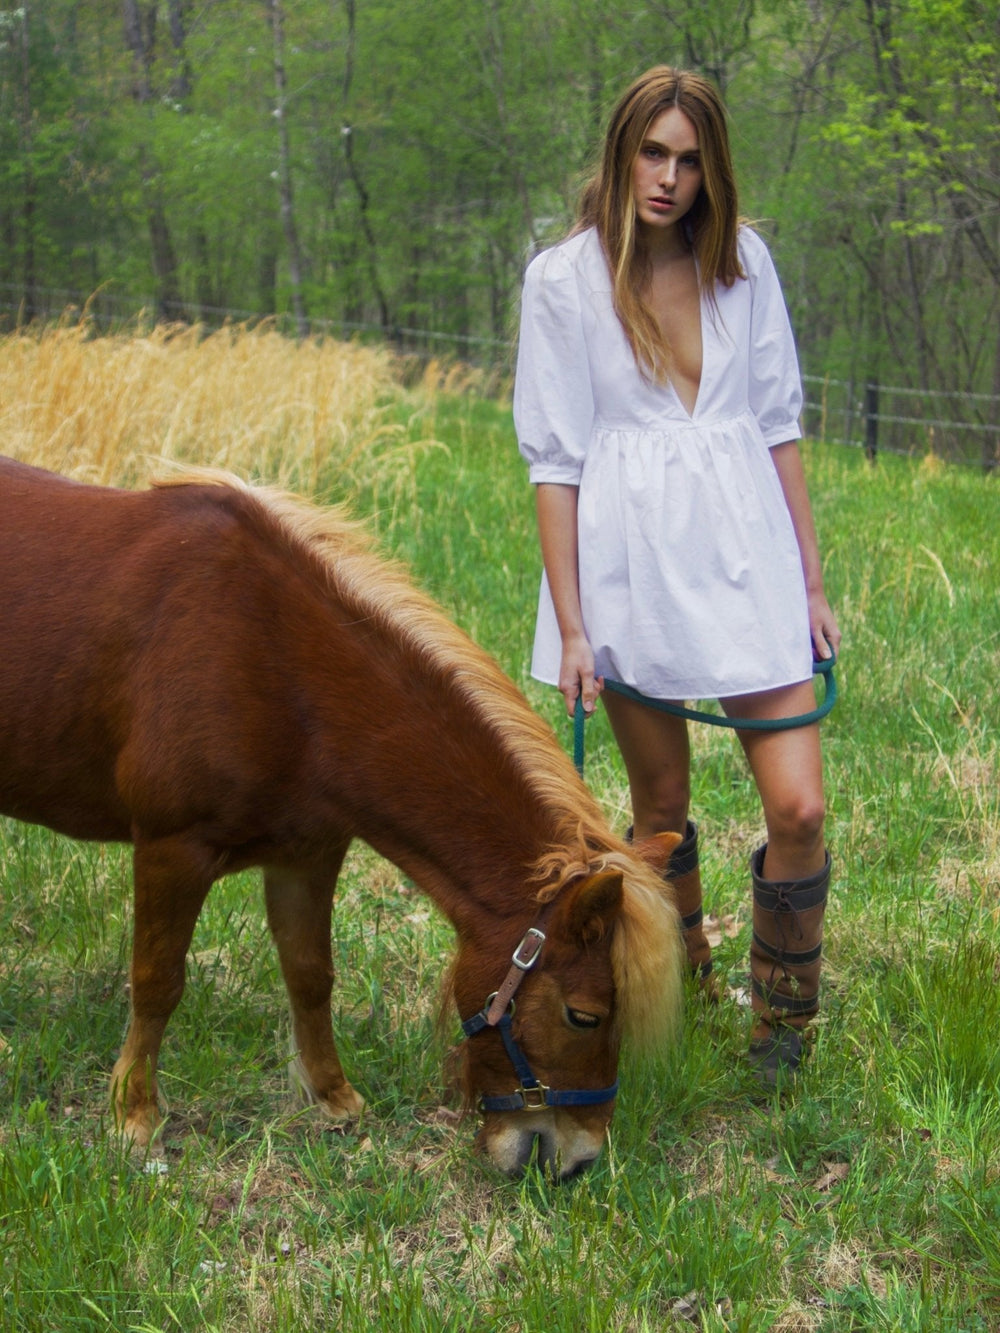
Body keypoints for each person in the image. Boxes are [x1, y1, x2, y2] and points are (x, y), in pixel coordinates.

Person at [513, 65, 841, 1086]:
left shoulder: (743, 263)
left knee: (799, 808)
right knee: (657, 807)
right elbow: (556, 464)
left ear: (712, 170)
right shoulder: (563, 280)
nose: (668, 178)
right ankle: (689, 977)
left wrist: (812, 585)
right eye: (652, 153)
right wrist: (572, 627)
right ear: (620, 153)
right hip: (630, 564)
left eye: (689, 160)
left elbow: (778, 427)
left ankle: (781, 1026)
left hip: (747, 552)